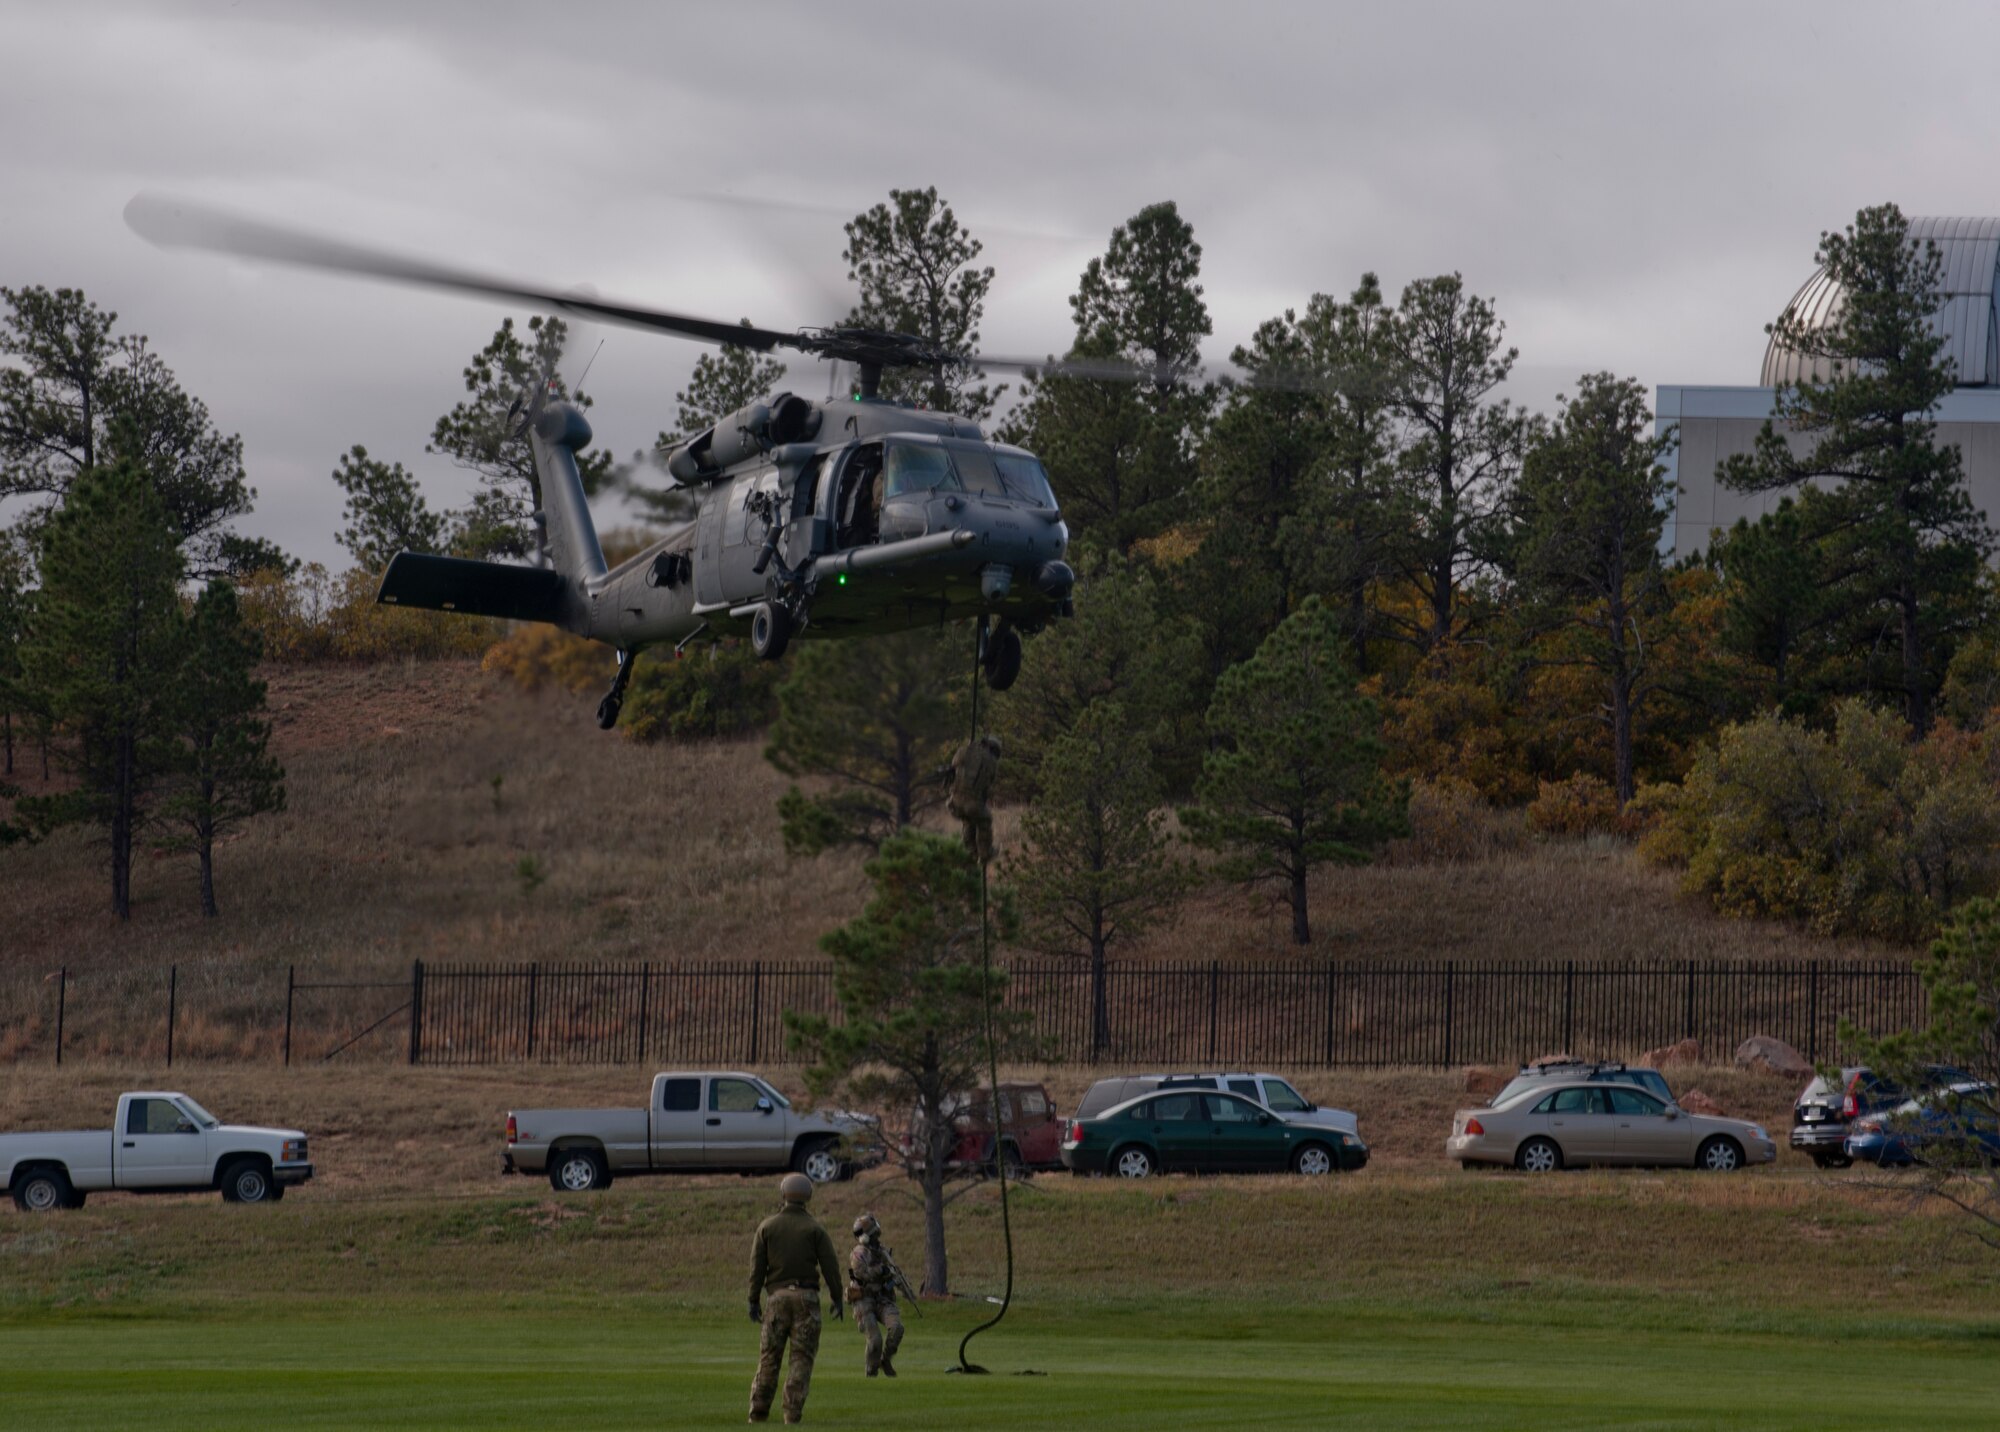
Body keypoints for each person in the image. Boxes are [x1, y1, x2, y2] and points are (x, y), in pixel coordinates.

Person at [747, 1172, 844, 1425]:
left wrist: (753, 1300)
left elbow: (757, 1267)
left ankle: (758, 1412)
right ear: (808, 1196)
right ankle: (792, 1414)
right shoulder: (815, 1229)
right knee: (801, 1358)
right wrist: (837, 1297)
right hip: (806, 1299)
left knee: (769, 1357)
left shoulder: (767, 1227)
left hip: (777, 1299)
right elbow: (830, 1267)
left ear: (783, 1194)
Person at [846, 1212, 905, 1378]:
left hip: (882, 1298)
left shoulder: (882, 1251)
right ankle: (871, 1373)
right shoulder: (858, 1253)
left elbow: (892, 1273)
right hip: (863, 1299)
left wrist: (896, 1279)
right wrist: (882, 1270)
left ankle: (886, 1360)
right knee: (875, 1341)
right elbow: (862, 1272)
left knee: (897, 1328)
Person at [947, 733, 1002, 864]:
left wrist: (969, 748)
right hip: (972, 804)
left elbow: (954, 763)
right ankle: (984, 853)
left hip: (954, 802)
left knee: (968, 822)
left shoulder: (964, 751)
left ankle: (969, 852)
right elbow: (988, 782)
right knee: (984, 821)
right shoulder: (991, 762)